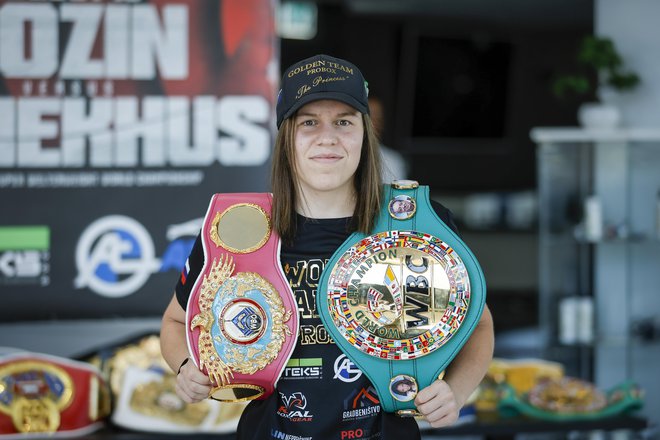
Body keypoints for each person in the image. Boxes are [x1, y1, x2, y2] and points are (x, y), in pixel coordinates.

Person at [160, 53, 494, 439]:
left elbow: (479, 324)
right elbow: (174, 322)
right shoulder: (238, 229)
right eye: (309, 122)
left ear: (364, 134)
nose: (328, 137)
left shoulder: (417, 223)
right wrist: (186, 366)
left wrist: (456, 391)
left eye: (343, 122)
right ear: (287, 138)